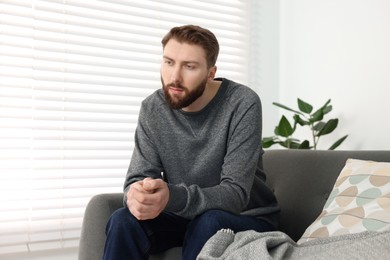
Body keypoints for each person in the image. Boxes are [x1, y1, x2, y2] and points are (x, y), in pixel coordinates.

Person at [103, 24, 280, 260]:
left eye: (189, 66)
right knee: (123, 220)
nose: (174, 77)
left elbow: (235, 195)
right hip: (184, 217)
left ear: (210, 72)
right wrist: (136, 196)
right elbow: (137, 178)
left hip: (247, 217)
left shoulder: (242, 103)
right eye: (169, 62)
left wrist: (171, 197)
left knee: (209, 220)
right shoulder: (152, 108)